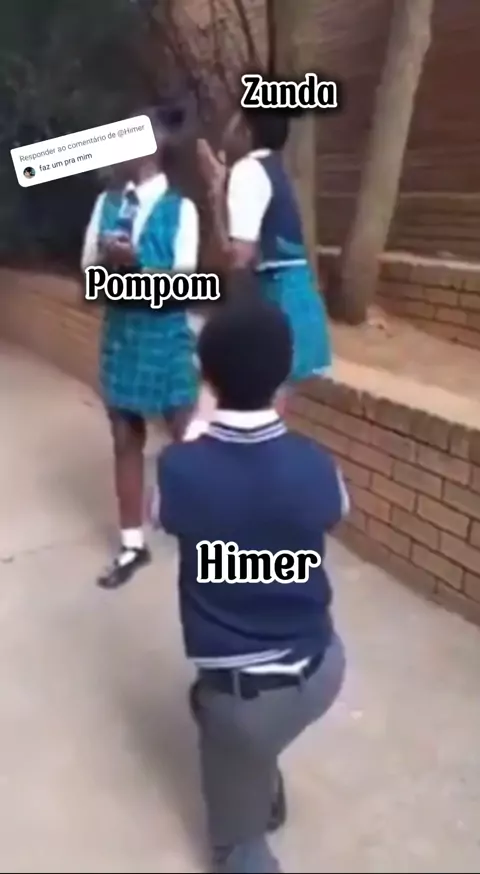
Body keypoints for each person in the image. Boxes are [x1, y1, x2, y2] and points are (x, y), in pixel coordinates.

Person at [155, 295, 348, 874]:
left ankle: (250, 796)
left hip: (243, 700)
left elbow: (164, 517)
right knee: (231, 721)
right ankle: (258, 775)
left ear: (207, 378)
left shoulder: (180, 469)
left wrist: (199, 428)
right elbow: (335, 512)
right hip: (323, 669)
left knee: (236, 850)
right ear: (283, 378)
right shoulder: (316, 464)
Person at [81, 105, 200, 589]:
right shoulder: (106, 205)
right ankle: (133, 544)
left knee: (188, 441)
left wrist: (137, 267)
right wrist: (106, 265)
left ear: (155, 149)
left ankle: (208, 532)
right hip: (121, 338)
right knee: (125, 440)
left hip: (165, 341)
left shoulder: (182, 210)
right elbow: (87, 281)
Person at [198, 107, 332, 414]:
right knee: (271, 408)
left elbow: (238, 255)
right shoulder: (273, 168)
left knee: (259, 408)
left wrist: (215, 194)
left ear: (246, 131)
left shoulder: (247, 170)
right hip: (296, 299)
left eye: (235, 121)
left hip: (275, 300)